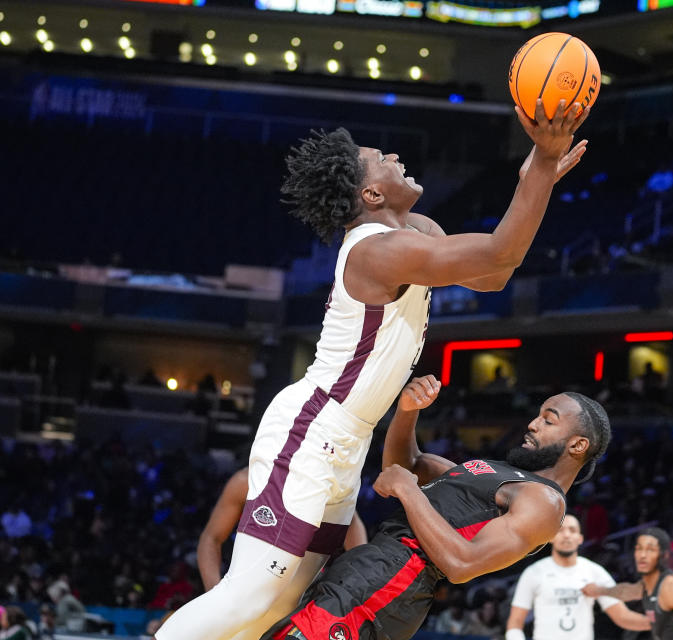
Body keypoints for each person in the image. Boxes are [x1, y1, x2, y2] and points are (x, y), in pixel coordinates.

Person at [157, 99, 590, 640]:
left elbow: (494, 275)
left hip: (348, 439)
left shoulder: (416, 232)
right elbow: (501, 253)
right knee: (252, 593)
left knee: (286, 600)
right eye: (380, 157)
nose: (393, 155)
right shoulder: (378, 251)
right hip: (313, 427)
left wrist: (536, 172)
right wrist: (542, 170)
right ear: (370, 194)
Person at [261, 373, 611, 640]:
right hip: (366, 574)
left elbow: (463, 564)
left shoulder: (545, 501)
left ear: (578, 445)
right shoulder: (504, 473)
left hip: (385, 588)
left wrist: (408, 491)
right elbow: (407, 465)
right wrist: (408, 411)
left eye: (549, 420)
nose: (533, 423)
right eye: (538, 415)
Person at [197, 467, 368, 591]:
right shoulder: (247, 480)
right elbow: (211, 538)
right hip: (247, 586)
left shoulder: (328, 489)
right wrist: (214, 591)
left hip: (302, 594)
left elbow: (360, 556)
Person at [505, 514, 650, 640]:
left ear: (580, 538)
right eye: (560, 530)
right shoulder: (533, 572)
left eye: (572, 530)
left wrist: (659, 621)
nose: (567, 535)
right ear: (551, 538)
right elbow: (515, 624)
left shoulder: (594, 571)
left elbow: (622, 617)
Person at [582, 528, 673, 640]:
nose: (642, 555)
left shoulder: (672, 587)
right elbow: (627, 591)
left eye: (650, 550)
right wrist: (599, 591)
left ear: (663, 555)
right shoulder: (648, 584)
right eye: (639, 549)